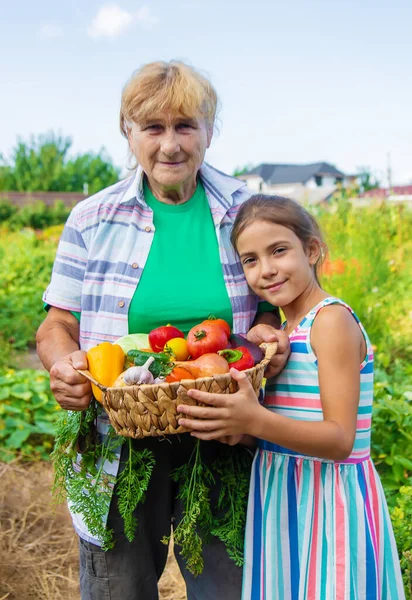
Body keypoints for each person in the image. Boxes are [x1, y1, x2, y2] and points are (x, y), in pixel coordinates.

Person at [36, 63, 290, 600]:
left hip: (228, 433)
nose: (170, 145)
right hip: (119, 439)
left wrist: (270, 333)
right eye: (152, 127)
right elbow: (58, 323)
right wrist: (65, 364)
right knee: (118, 588)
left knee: (232, 587)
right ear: (127, 131)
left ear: (209, 130)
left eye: (186, 126)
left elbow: (272, 310)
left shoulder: (247, 210)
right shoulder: (92, 217)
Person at [178, 194, 405, 599]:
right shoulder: (283, 334)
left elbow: (339, 441)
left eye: (278, 251)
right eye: (250, 259)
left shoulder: (330, 321)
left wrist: (255, 421)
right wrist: (239, 429)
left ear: (312, 249)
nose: (266, 270)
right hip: (283, 496)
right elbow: (288, 427)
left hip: (329, 504)